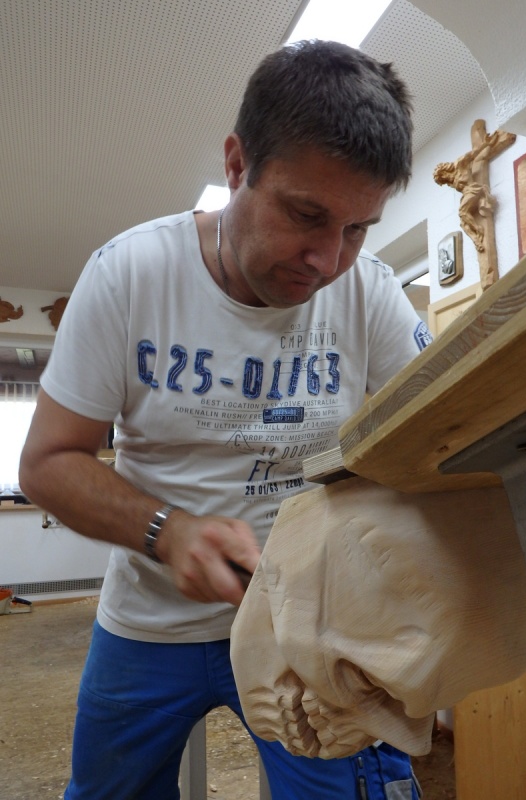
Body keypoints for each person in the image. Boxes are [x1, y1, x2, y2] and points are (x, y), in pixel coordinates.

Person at [20, 39, 431, 800]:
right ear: (238, 165)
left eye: (357, 229)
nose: (327, 261)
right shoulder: (129, 274)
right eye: (306, 215)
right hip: (149, 622)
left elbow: (436, 443)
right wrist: (168, 531)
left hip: (309, 624)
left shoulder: (370, 294)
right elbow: (47, 464)